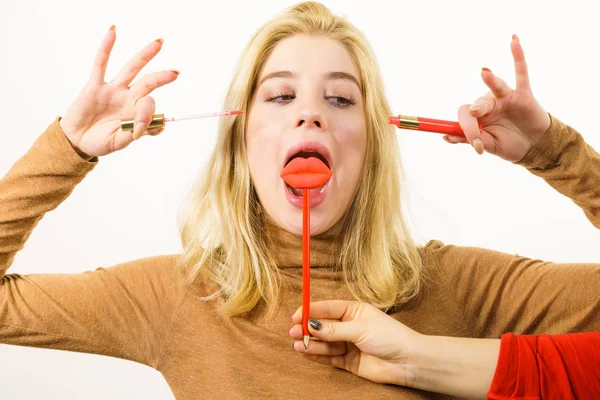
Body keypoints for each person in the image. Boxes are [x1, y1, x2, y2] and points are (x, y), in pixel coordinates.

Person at [0, 2, 598, 399]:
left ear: (373, 141)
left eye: (340, 99)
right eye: (280, 95)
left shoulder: (458, 285)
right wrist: (68, 147)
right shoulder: (176, 296)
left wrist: (554, 153)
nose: (310, 111)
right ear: (240, 138)